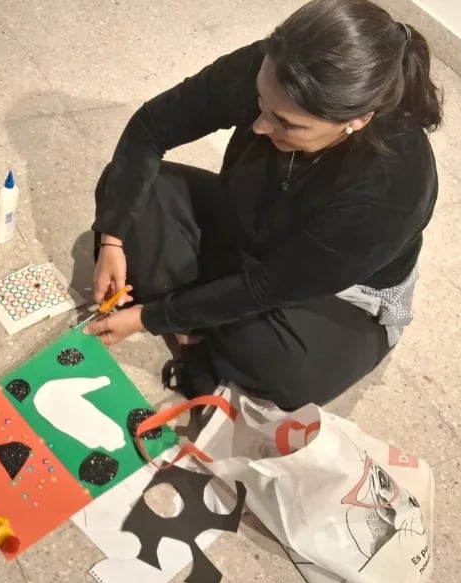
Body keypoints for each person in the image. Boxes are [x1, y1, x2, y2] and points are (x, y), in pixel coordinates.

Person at [84, 0, 442, 411]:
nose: (259, 126)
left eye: (287, 124)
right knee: (127, 191)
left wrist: (149, 318)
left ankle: (198, 316)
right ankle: (200, 315)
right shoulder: (275, 67)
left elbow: (268, 286)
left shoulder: (393, 184)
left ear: (357, 119)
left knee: (283, 370)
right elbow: (150, 128)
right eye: (260, 103)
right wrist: (112, 240)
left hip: (333, 292)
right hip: (249, 226)